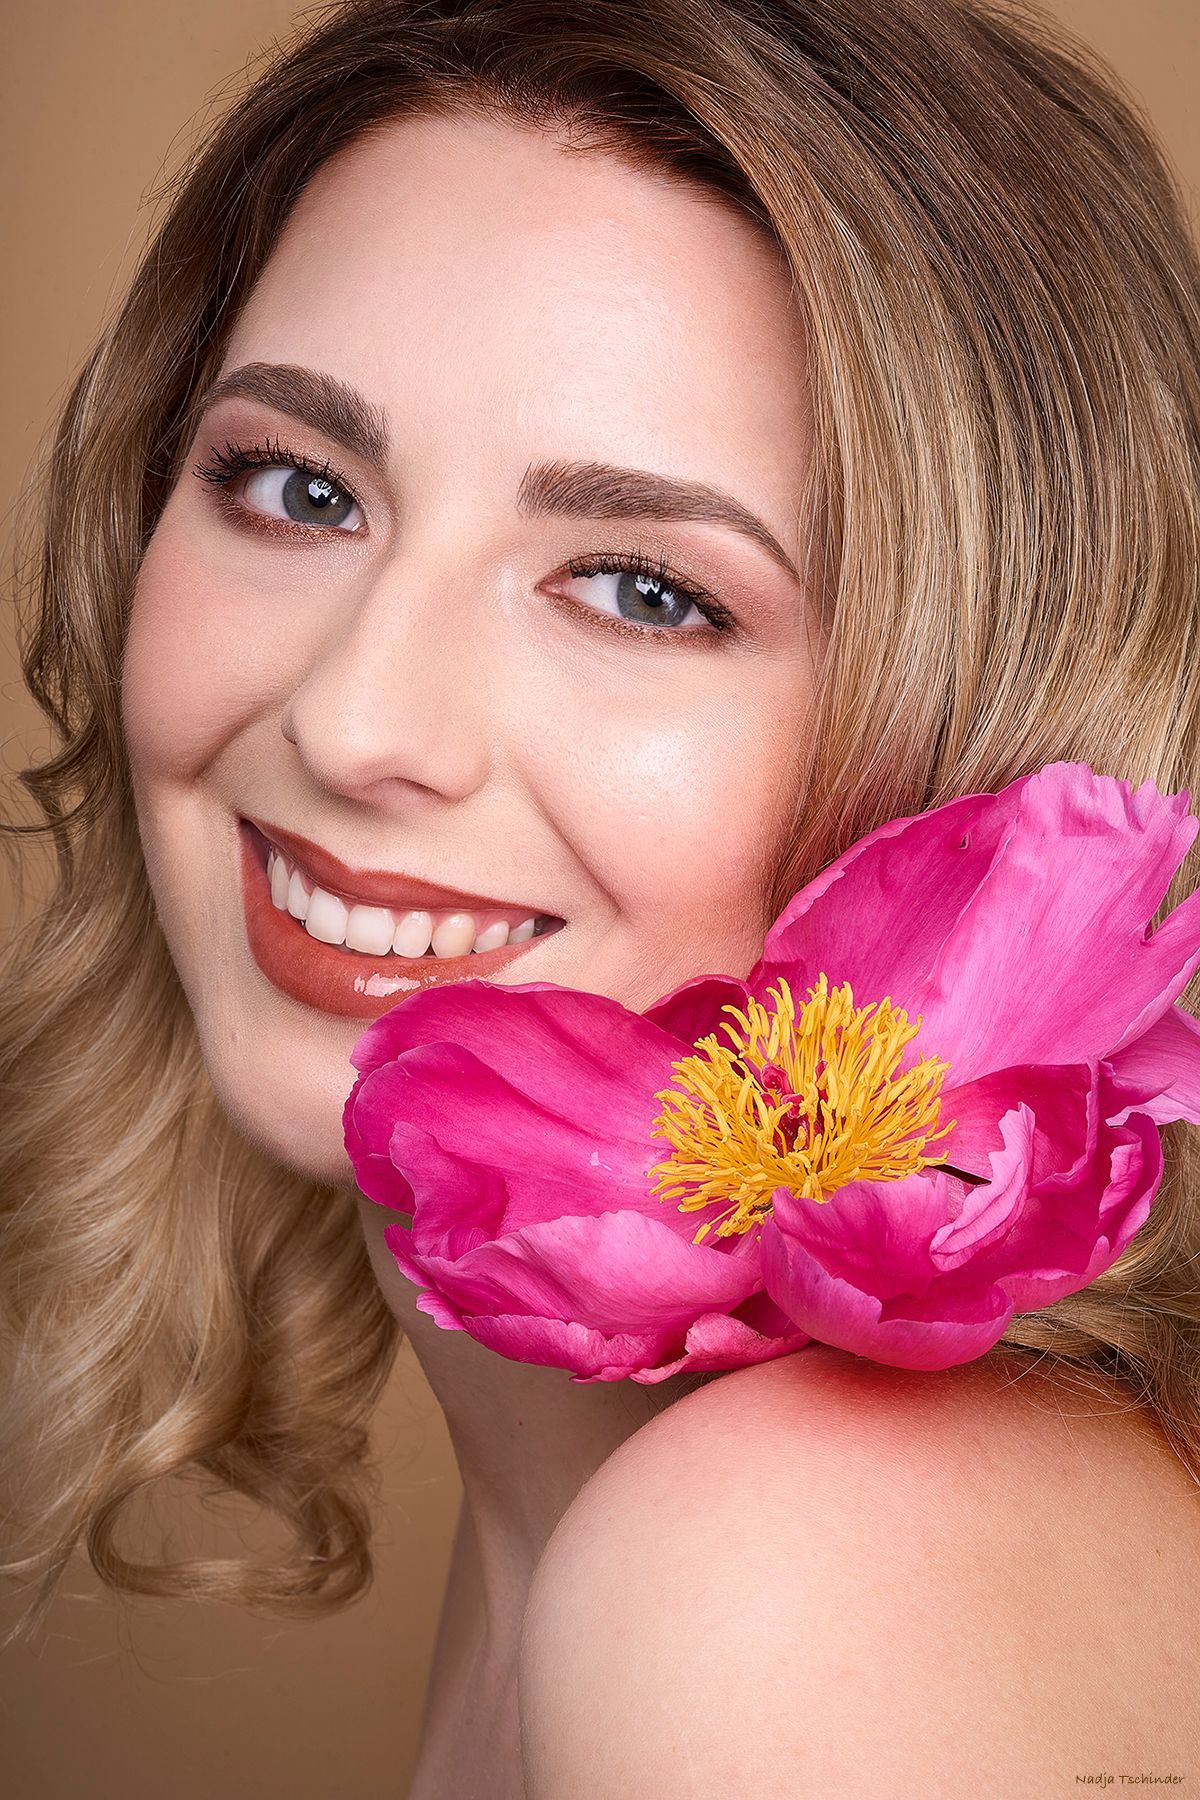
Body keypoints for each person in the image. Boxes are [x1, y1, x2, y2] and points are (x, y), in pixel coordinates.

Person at [3, 0, 1199, 1792]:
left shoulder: (801, 1577)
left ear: (982, 733)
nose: (353, 720)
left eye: (644, 590)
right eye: (300, 487)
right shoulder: (666, 1540)